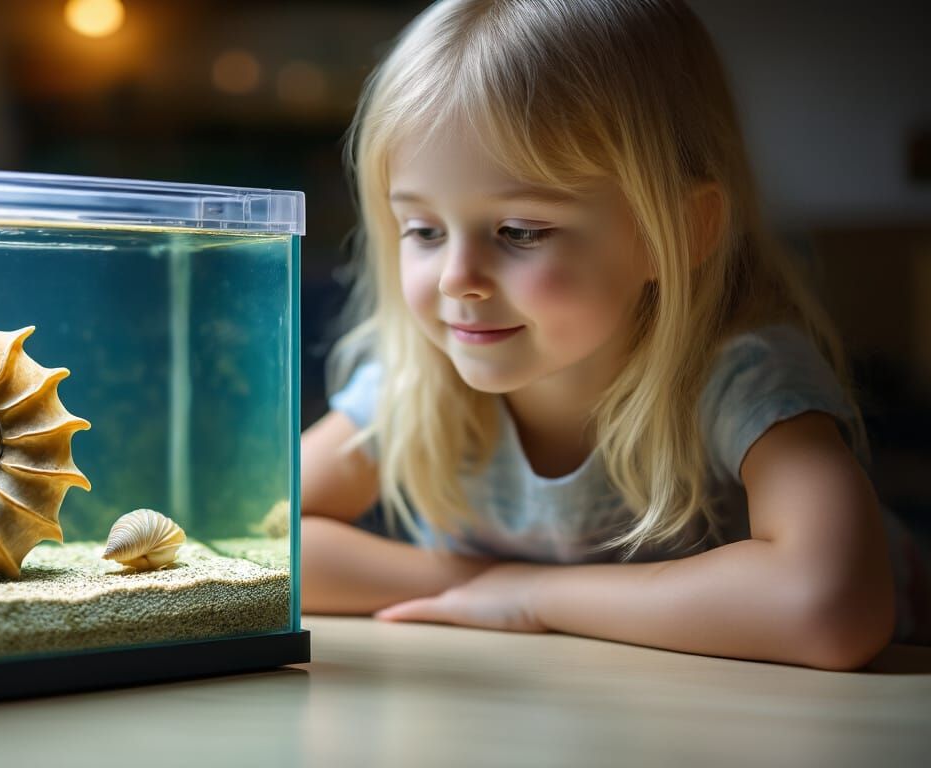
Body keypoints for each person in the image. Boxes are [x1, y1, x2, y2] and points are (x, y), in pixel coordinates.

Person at [300, 0, 929, 670]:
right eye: (423, 230)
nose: (458, 279)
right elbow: (240, 543)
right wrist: (477, 585)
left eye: (520, 231)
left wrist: (533, 594)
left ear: (679, 233)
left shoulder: (739, 376)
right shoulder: (417, 383)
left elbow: (829, 606)